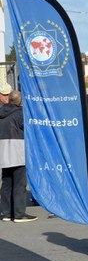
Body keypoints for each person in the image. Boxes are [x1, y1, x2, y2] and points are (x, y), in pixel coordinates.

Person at [0, 90, 38, 223]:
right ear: (20, 102)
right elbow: (28, 130)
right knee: (19, 183)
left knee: (6, 182)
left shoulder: (2, 112)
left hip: (4, 150)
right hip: (17, 150)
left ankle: (6, 212)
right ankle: (19, 214)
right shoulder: (20, 113)